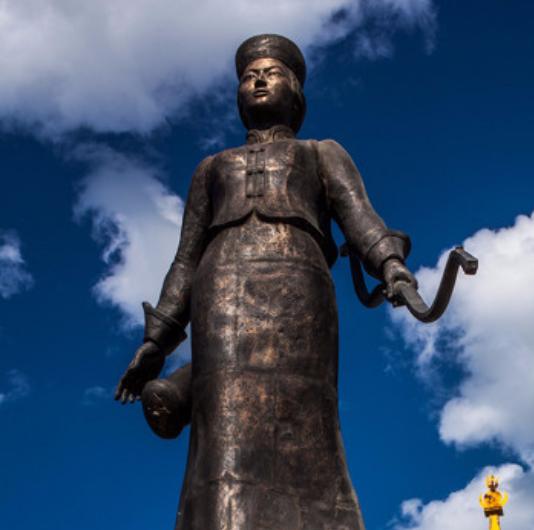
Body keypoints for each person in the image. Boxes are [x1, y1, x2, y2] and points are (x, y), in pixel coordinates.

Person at [114, 34, 416, 530]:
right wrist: (156, 341)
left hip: (301, 289)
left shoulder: (321, 153)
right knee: (226, 427)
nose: (257, 80)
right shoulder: (211, 169)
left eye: (271, 73)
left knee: (306, 414)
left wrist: (390, 265)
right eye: (248, 76)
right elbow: (185, 259)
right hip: (221, 291)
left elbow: (360, 216)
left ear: (295, 91)